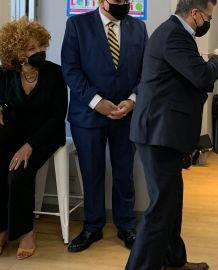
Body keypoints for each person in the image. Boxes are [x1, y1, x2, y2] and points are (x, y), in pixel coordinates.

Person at [126, 0, 218, 269]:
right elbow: (202, 77)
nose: (207, 21)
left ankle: (173, 261)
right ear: (195, 14)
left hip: (165, 132)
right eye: (208, 16)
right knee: (160, 210)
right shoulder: (174, 35)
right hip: (157, 133)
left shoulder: (175, 33)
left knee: (172, 203)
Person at [61, 0, 148, 252]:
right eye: (117, 0)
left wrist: (133, 100)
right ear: (101, 1)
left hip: (126, 114)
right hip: (88, 115)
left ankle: (126, 226)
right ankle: (92, 227)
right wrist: (96, 101)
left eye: (126, 1)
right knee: (92, 172)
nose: (123, 4)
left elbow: (146, 71)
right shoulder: (77, 25)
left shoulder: (139, 29)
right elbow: (71, 69)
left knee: (124, 173)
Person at [0, 17, 67, 260]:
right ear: (16, 53)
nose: (39, 51)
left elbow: (57, 117)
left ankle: (26, 231)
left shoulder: (55, 74)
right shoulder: (7, 74)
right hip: (15, 135)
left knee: (19, 174)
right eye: (31, 48)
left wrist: (29, 146)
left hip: (45, 135)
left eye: (40, 46)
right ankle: (3, 228)